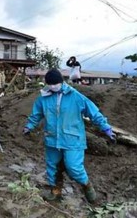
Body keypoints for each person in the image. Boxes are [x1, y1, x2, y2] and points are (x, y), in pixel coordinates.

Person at [23, 69, 116, 203]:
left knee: (73, 167)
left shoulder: (76, 96)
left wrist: (106, 128)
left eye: (55, 83)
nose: (52, 86)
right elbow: (36, 114)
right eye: (50, 84)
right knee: (52, 167)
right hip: (52, 138)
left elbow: (93, 113)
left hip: (73, 139)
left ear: (61, 82)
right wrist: (29, 126)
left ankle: (87, 187)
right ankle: (55, 192)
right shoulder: (43, 98)